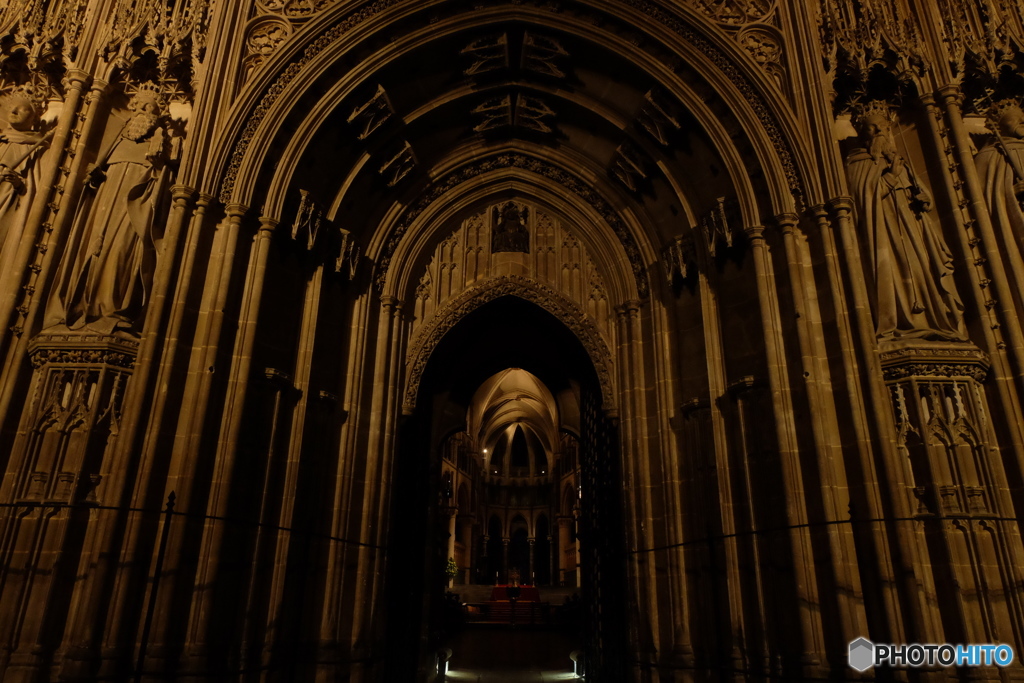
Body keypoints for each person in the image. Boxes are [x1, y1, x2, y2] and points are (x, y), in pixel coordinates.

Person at [46, 83, 172, 334]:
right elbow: (98, 174)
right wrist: (95, 176)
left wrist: (158, 166)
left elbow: (166, 180)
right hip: (105, 203)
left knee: (121, 251)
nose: (145, 112)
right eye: (141, 106)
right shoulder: (117, 139)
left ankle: (112, 309)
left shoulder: (160, 141)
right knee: (94, 248)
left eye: (151, 108)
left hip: (134, 203)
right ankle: (84, 307)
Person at [845, 103, 965, 341]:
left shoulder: (899, 161)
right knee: (892, 276)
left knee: (922, 273)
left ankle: (931, 319)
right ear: (862, 132)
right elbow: (862, 202)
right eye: (872, 128)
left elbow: (919, 193)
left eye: (883, 127)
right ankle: (899, 321)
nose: (879, 132)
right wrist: (889, 178)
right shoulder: (857, 164)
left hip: (913, 233)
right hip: (884, 232)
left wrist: (924, 199)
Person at [0, 85, 49, 275]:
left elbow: (34, 191)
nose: (13, 111)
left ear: (34, 117)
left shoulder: (35, 147)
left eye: (22, 108)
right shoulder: (1, 139)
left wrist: (18, 183)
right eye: (13, 106)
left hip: (8, 205)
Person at [975, 99, 1024, 286]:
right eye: (1015, 119)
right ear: (998, 125)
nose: (1023, 121)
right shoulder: (990, 156)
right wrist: (1010, 192)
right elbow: (981, 201)